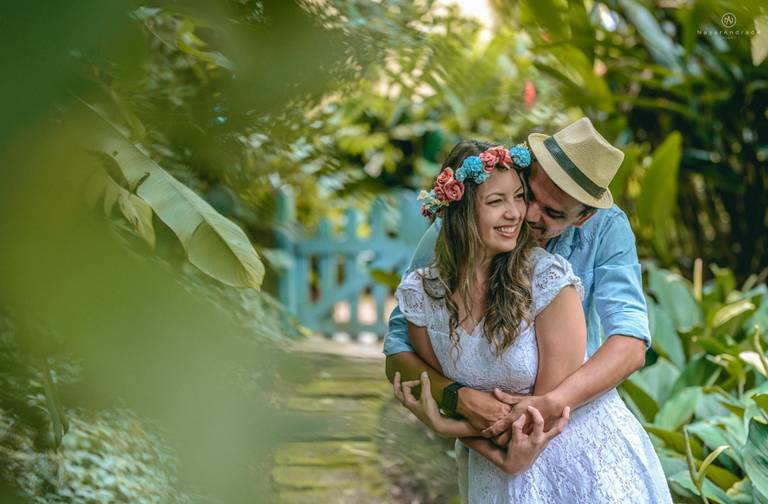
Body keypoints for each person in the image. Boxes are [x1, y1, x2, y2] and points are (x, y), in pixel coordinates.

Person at [389, 136, 671, 502]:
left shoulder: (575, 255)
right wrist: (456, 401)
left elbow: (630, 342)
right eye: (529, 194)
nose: (528, 215)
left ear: (584, 217)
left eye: (554, 213)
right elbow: (400, 348)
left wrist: (548, 404)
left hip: (577, 447)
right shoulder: (464, 219)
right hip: (494, 458)